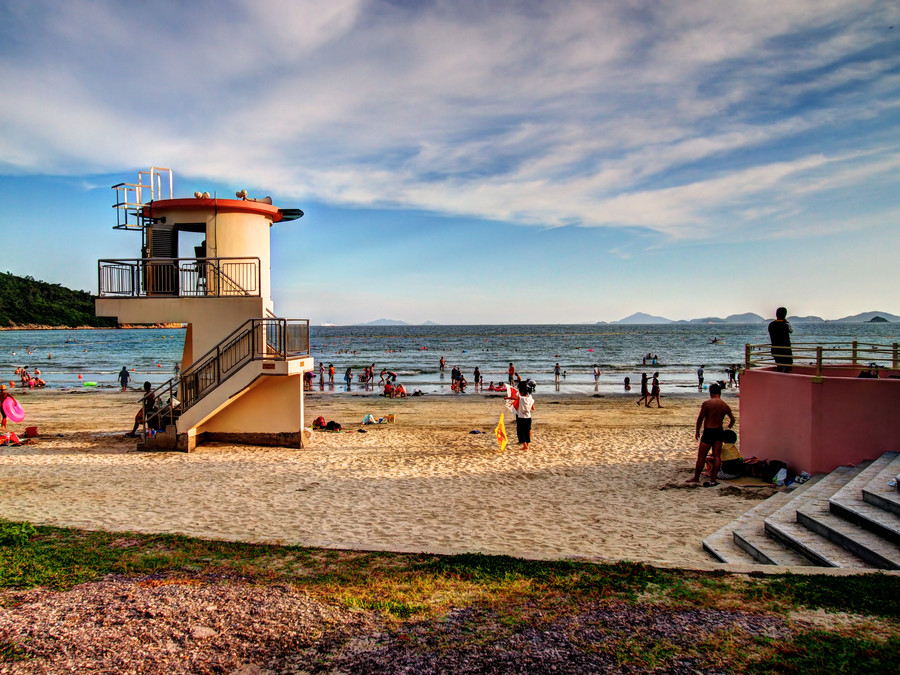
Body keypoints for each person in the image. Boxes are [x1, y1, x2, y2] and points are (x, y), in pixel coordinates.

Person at [688, 383, 736, 486]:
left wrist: (697, 431)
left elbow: (700, 418)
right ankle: (713, 479)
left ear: (710, 392)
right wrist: (729, 426)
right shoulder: (724, 405)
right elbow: (733, 418)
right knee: (717, 456)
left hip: (709, 431)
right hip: (719, 431)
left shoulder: (707, 403)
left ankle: (696, 478)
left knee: (701, 456)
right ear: (720, 392)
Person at [510, 379, 536, 450]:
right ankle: (527, 444)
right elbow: (533, 408)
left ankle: (525, 445)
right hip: (528, 417)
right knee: (527, 430)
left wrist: (507, 398)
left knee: (521, 431)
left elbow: (515, 398)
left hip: (521, 416)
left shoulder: (520, 397)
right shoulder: (530, 397)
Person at [768, 307, 793, 373]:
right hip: (785, 350)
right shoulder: (786, 325)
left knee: (779, 365)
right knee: (787, 367)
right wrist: (787, 322)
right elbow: (791, 330)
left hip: (775, 349)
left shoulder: (771, 325)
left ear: (776, 314)